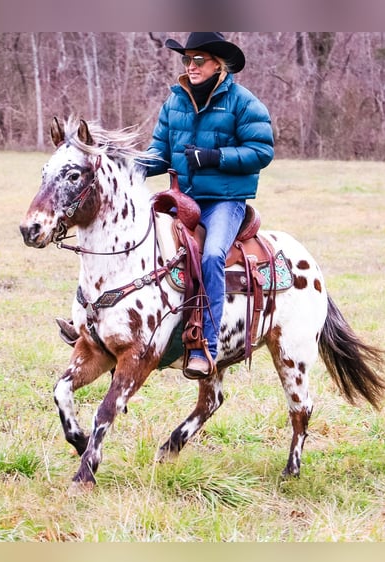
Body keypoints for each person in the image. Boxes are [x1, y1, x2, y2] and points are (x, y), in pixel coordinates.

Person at [143, 32, 275, 379]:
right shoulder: (174, 103)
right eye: (187, 60)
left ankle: (205, 346)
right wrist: (133, 163)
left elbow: (262, 152)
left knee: (213, 254)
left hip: (225, 202)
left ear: (219, 64)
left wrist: (216, 157)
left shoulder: (244, 103)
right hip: (182, 198)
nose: (191, 66)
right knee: (141, 240)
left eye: (198, 60)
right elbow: (160, 152)